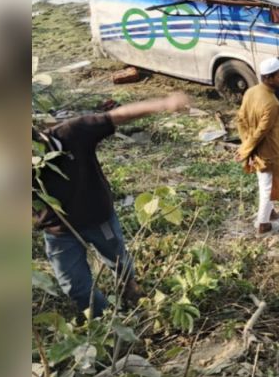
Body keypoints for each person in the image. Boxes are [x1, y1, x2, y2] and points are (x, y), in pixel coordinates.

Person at [32, 92, 191, 317]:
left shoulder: (72, 133)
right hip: (59, 231)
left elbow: (116, 116)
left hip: (98, 218)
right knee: (74, 286)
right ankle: (106, 320)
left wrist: (163, 103)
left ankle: (129, 287)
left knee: (118, 260)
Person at [237, 58, 279, 234]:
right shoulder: (272, 103)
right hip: (269, 150)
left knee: (264, 182)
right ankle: (263, 224)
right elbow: (261, 131)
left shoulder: (251, 92)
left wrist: (246, 143)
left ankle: (271, 212)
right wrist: (246, 149)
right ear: (268, 78)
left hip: (254, 146)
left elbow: (241, 119)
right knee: (267, 186)